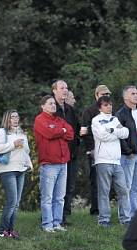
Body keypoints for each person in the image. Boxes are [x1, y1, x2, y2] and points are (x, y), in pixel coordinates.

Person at [34, 95, 74, 232]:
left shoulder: (59, 119)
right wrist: (61, 131)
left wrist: (61, 131)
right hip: (49, 163)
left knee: (60, 197)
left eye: (54, 103)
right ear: (43, 106)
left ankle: (57, 223)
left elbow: (70, 133)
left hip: (63, 162)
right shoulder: (39, 120)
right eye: (50, 103)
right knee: (47, 197)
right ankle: (47, 224)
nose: (53, 105)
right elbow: (49, 133)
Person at [0, 110, 33, 239]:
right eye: (12, 117)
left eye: (17, 117)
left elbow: (26, 151)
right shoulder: (1, 132)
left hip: (21, 169)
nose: (15, 119)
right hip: (7, 169)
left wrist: (29, 164)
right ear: (7, 119)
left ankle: (10, 230)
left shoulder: (22, 133)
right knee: (12, 201)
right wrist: (13, 144)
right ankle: (2, 230)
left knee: (16, 203)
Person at [91, 96, 131, 227]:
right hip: (103, 160)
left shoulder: (115, 119)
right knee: (104, 192)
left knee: (123, 191)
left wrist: (113, 130)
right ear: (100, 107)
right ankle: (104, 220)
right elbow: (102, 136)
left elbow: (125, 132)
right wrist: (116, 133)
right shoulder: (96, 120)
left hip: (116, 161)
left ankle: (125, 219)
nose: (109, 106)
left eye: (110, 104)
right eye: (106, 105)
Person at [115, 85, 137, 217]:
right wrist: (128, 151)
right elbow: (118, 135)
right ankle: (125, 216)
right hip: (128, 155)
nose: (136, 96)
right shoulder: (120, 114)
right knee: (126, 187)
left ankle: (136, 215)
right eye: (133, 93)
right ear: (126, 97)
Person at [81, 85, 112, 216]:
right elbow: (84, 131)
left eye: (109, 94)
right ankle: (95, 210)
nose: (106, 96)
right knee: (95, 180)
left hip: (109, 150)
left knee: (107, 180)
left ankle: (105, 209)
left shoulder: (110, 111)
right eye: (104, 94)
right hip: (95, 150)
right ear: (96, 95)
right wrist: (91, 149)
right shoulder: (88, 111)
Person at [52, 80, 80, 225]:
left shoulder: (70, 109)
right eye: (62, 88)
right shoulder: (51, 109)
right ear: (54, 91)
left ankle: (63, 215)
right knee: (56, 187)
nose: (65, 90)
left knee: (69, 186)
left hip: (71, 154)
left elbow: (75, 131)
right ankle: (51, 216)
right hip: (56, 155)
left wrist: (76, 147)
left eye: (66, 88)